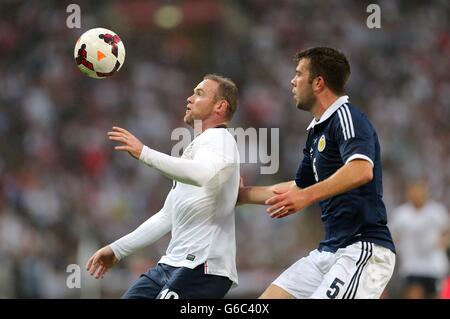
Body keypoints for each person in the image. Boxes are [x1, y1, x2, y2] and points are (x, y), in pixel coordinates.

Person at [238, 47, 396, 299]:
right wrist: (241, 196)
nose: (292, 80)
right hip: (328, 252)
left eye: (299, 74)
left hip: (363, 249)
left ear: (319, 82)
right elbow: (298, 188)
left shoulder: (347, 117)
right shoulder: (316, 132)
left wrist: (308, 196)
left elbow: (361, 169)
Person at [86, 74, 240, 299]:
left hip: (203, 266)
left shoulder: (222, 140)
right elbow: (167, 216)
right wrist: (117, 250)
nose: (189, 98)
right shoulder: (197, 148)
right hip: (171, 264)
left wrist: (144, 153)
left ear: (220, 106)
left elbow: (202, 175)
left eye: (199, 93)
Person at [390, 180, 450, 299]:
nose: (416, 194)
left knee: (435, 295)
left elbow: (447, 231)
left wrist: (444, 243)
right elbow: (393, 236)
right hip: (412, 264)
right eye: (413, 191)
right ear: (408, 193)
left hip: (435, 265)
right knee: (414, 293)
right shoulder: (401, 214)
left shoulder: (437, 211)